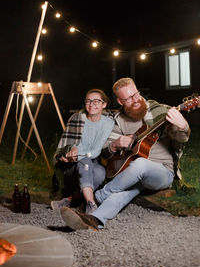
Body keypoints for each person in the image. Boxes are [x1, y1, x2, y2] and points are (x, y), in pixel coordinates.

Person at [59, 77, 191, 231]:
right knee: (124, 191)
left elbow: (181, 137)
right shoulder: (118, 121)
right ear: (120, 102)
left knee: (140, 164)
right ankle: (94, 220)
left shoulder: (160, 111)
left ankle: (97, 197)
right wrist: (115, 145)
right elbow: (105, 153)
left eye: (136, 94)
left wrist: (183, 126)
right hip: (131, 175)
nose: (135, 100)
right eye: (128, 98)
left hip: (161, 173)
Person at [51, 88, 114, 214]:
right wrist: (70, 150)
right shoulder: (77, 118)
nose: (91, 105)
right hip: (71, 166)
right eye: (88, 101)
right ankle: (91, 205)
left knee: (100, 173)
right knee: (85, 162)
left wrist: (78, 154)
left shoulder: (108, 123)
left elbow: (96, 151)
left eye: (96, 101)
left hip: (90, 161)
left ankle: (68, 200)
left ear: (104, 104)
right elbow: (67, 145)